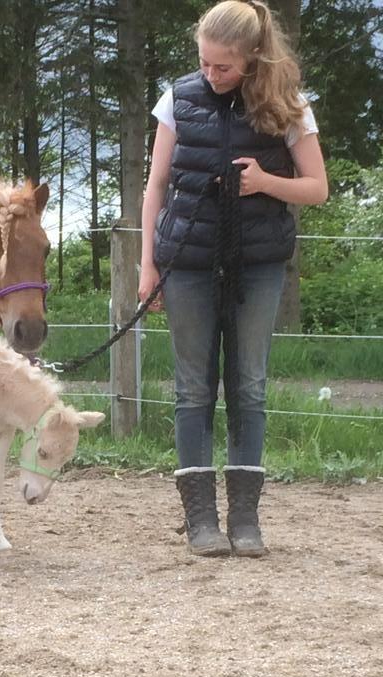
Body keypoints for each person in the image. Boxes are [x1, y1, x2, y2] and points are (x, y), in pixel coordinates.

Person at [138, 0, 327, 558]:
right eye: (204, 63)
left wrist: (267, 181)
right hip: (187, 263)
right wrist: (148, 267)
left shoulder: (289, 106)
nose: (210, 75)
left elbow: (316, 188)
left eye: (222, 66)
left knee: (249, 386)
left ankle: (245, 517)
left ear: (252, 59)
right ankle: (201, 519)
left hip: (258, 264)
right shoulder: (179, 97)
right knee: (193, 388)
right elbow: (155, 187)